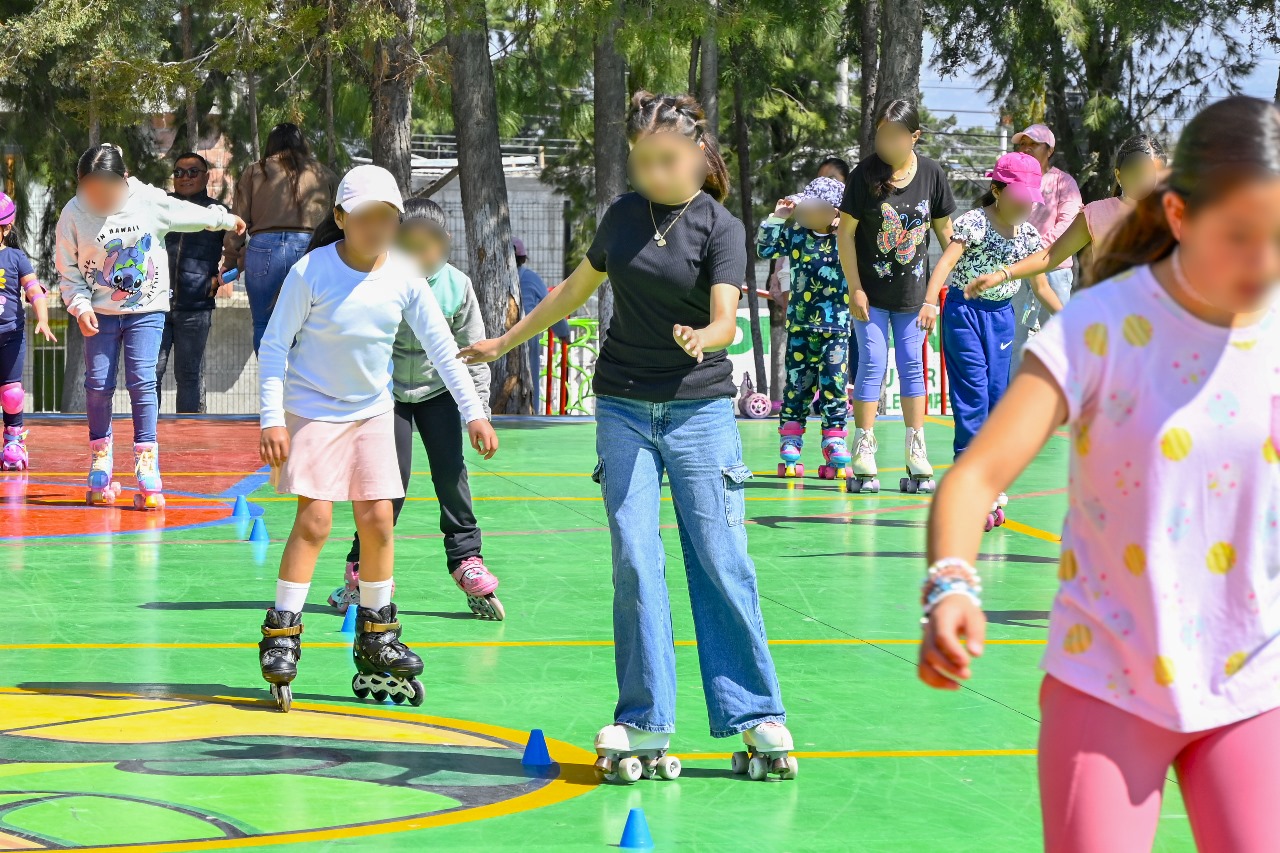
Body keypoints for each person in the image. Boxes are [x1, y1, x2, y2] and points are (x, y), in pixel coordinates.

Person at [918, 95, 1280, 853]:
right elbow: (975, 475)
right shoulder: (1102, 327)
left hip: (1252, 688)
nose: (1264, 263)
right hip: (1106, 681)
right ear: (1178, 215)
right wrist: (953, 580)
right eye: (1241, 236)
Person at [460, 91, 796, 783]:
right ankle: (645, 716)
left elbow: (728, 322)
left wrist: (703, 337)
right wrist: (504, 342)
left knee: (720, 557)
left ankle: (756, 712)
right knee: (636, 558)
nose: (653, 173)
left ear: (701, 157)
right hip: (621, 407)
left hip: (700, 410)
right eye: (642, 162)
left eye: (666, 161)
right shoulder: (620, 218)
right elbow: (572, 292)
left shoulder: (721, 227)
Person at [256, 165, 497, 713]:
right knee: (314, 520)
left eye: (386, 219)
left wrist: (474, 414)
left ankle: (377, 635)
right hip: (313, 409)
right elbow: (274, 348)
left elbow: (443, 349)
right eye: (363, 218)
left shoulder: (406, 275)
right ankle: (282, 633)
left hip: (370, 412)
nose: (375, 228)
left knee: (379, 521)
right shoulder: (311, 272)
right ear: (340, 218)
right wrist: (271, 419)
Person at [326, 198, 503, 620]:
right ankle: (361, 565)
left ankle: (466, 559)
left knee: (450, 472)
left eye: (429, 244)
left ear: (444, 246)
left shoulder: (457, 287)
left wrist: (479, 413)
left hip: (439, 392)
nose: (419, 253)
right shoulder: (379, 278)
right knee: (389, 481)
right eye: (408, 243)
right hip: (387, 395)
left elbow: (473, 355)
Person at [56, 143, 246, 509]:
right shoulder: (73, 214)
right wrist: (80, 307)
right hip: (99, 312)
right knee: (98, 383)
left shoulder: (147, 200)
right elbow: (68, 271)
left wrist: (224, 219)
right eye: (89, 191)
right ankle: (101, 457)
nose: (98, 198)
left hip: (147, 309)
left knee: (143, 380)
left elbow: (184, 213)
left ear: (123, 180)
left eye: (105, 191)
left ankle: (146, 462)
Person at [923, 151, 1063, 526]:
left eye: (1030, 200)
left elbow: (1041, 285)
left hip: (1001, 318)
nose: (1024, 206)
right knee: (973, 394)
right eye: (1018, 197)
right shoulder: (974, 223)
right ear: (997, 190)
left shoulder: (1029, 236)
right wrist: (929, 303)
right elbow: (946, 263)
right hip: (964, 312)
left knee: (998, 398)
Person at [836, 99, 956, 494]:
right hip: (868, 296)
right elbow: (846, 234)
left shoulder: (932, 176)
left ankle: (915, 446)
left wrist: (940, 291)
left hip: (913, 298)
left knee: (911, 367)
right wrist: (855, 287)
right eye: (880, 134)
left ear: (914, 137)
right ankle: (865, 444)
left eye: (894, 135)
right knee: (871, 362)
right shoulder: (862, 176)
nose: (884, 142)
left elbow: (947, 238)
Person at [968, 134, 1167, 293]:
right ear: (1118, 175)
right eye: (1137, 173)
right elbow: (1050, 256)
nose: (1145, 181)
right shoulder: (1096, 213)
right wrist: (1003, 274)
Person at [757, 177, 851, 479]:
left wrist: (846, 227)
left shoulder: (847, 237)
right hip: (800, 326)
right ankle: (791, 440)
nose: (806, 213)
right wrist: (778, 217)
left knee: (834, 385)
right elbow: (765, 248)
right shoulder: (796, 234)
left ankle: (834, 440)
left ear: (833, 211)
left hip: (836, 328)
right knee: (797, 385)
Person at [222, 123, 337, 353]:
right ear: (302, 144)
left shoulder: (255, 171)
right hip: (310, 249)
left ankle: (271, 384)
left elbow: (238, 222)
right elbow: (337, 223)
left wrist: (230, 260)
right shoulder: (323, 173)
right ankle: (303, 386)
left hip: (263, 250)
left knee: (264, 324)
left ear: (270, 144)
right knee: (309, 326)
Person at [160, 152, 233, 413]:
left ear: (205, 177)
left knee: (188, 377)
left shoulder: (217, 213)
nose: (185, 177)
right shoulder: (162, 206)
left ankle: (185, 441)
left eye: (192, 172)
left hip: (196, 308)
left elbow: (240, 247)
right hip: (156, 306)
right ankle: (147, 438)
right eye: (178, 172)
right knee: (150, 374)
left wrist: (220, 280)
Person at [1008, 123, 1083, 376]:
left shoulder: (1064, 182)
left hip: (1055, 271)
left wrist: (1034, 249)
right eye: (1022, 144)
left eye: (1033, 144)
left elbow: (1069, 223)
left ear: (1049, 150)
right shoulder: (1010, 181)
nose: (1025, 148)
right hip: (1017, 271)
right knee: (1014, 338)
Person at [0, 193, 55, 472]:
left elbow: (35, 292)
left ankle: (13, 441)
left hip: (10, 336)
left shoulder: (15, 257)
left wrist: (43, 320)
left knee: (11, 394)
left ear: (6, 228)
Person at [514, 237, 570, 413]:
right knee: (529, 380)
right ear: (523, 258)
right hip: (527, 335)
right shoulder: (530, 277)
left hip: (498, 337)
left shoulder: (490, 277)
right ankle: (531, 414)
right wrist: (563, 333)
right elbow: (550, 305)